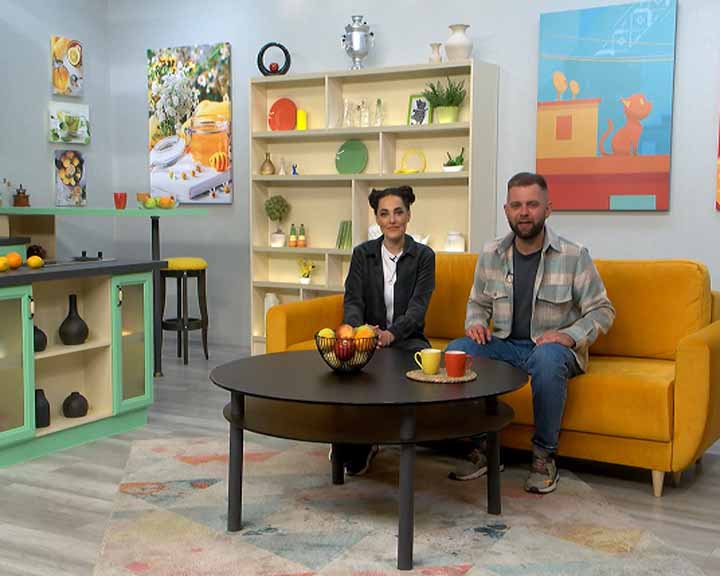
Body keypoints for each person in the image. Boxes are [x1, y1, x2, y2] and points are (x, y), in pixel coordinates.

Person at [446, 172, 615, 493]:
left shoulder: (573, 255)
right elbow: (477, 302)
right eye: (516, 205)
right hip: (506, 346)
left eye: (532, 205)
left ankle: (543, 456)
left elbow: (602, 310)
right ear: (506, 210)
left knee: (547, 358)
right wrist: (476, 322)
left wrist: (570, 336)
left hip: (552, 350)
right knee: (458, 351)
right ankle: (483, 447)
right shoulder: (491, 254)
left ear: (548, 209)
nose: (524, 212)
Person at [337, 185, 436, 475]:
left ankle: (396, 440)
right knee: (347, 371)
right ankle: (354, 442)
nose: (392, 220)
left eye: (398, 212)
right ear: (377, 219)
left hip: (408, 339)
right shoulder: (362, 254)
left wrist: (391, 334)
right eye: (384, 214)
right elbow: (353, 300)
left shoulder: (424, 256)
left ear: (408, 215)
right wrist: (362, 330)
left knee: (414, 366)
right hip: (368, 338)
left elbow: (418, 308)